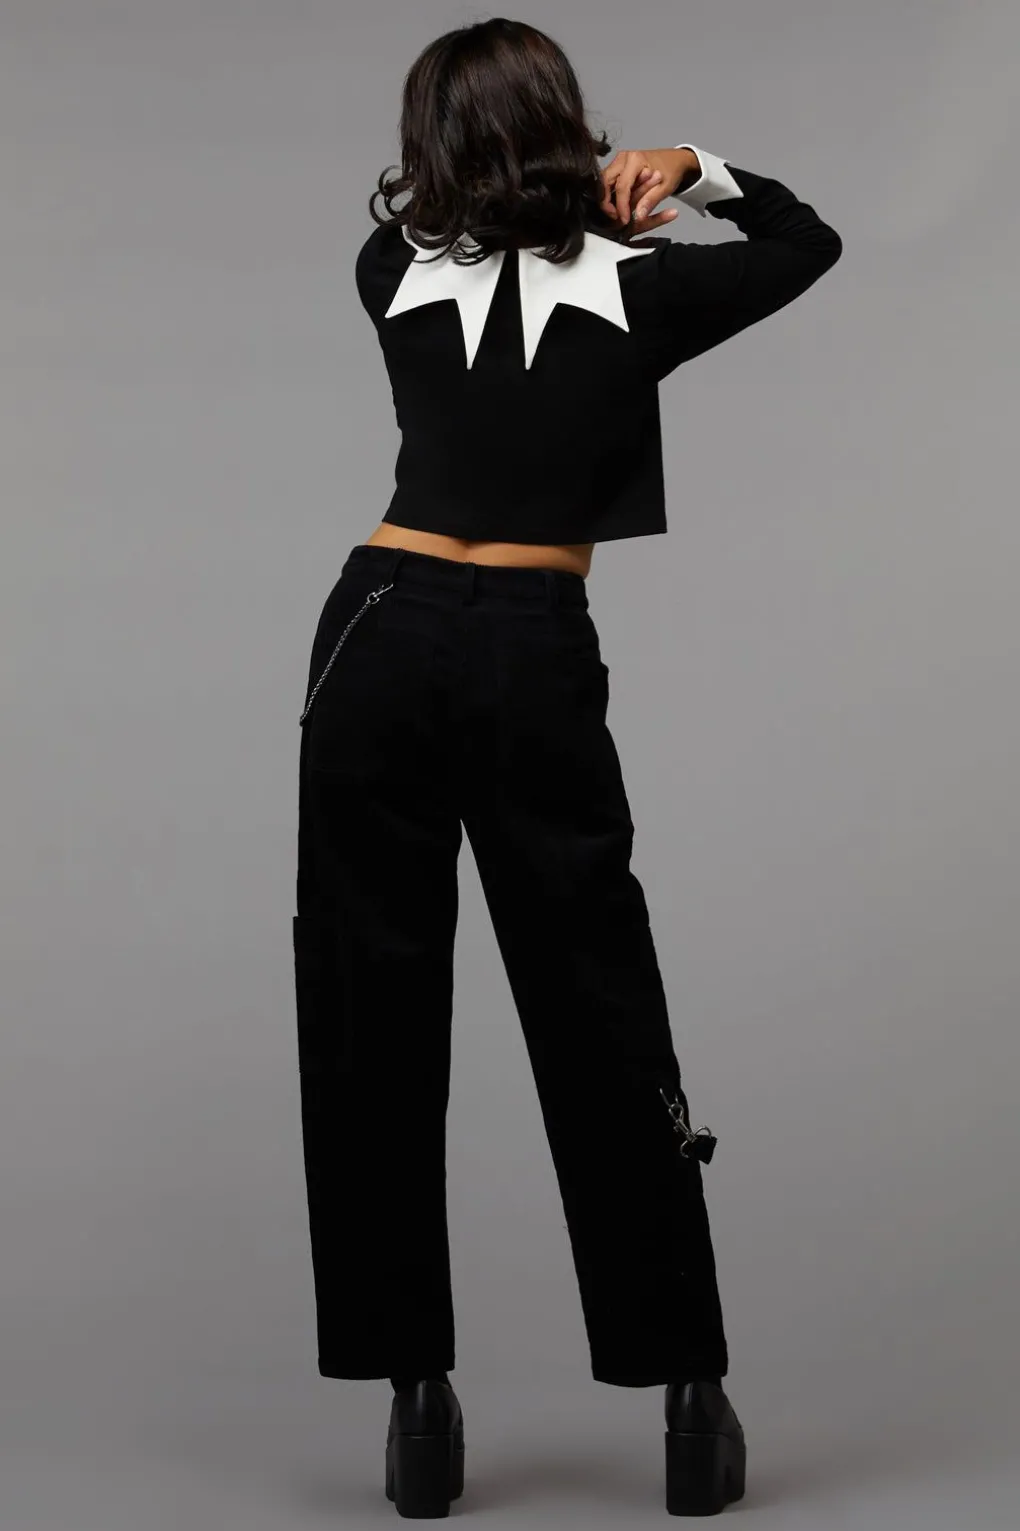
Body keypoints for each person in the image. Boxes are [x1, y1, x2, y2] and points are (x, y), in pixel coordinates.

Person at [292, 15, 842, 1519]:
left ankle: (414, 1401)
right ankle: (689, 1397)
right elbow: (806, 243)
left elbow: (455, 241)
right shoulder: (645, 288)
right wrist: (693, 166)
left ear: (429, 139)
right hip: (532, 644)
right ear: (568, 123)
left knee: (368, 1008)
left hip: (377, 628)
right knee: (600, 1003)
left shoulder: (389, 272)